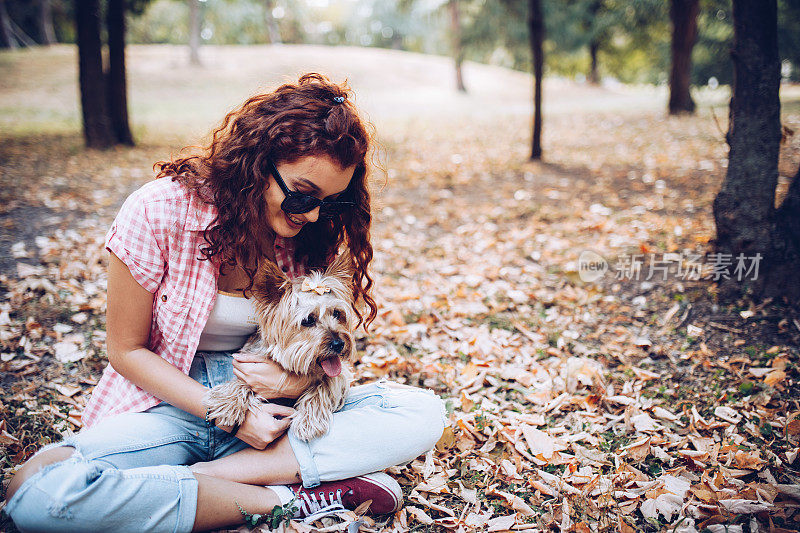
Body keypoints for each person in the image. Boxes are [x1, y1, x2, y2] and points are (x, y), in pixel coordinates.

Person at [3, 73, 446, 532]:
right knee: (37, 493)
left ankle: (197, 486)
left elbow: (323, 347)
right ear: (258, 164)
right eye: (303, 194)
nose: (313, 214)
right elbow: (125, 351)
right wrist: (230, 416)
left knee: (422, 412)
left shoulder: (311, 234)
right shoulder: (159, 211)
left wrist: (293, 384)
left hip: (283, 411)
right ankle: (285, 497)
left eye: (330, 203)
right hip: (174, 402)